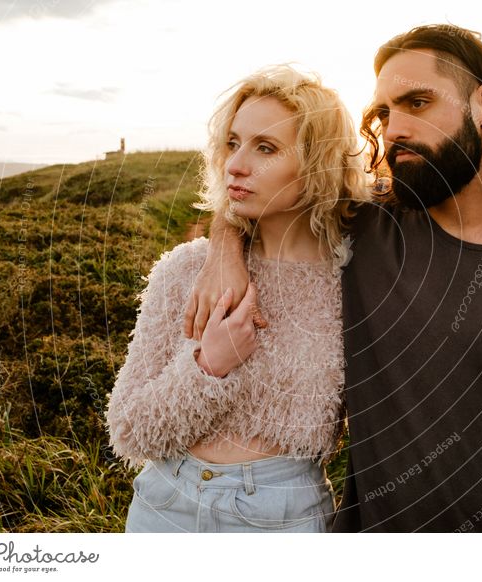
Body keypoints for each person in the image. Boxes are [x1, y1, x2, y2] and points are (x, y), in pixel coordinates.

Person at [184, 24, 482, 533]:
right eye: (383, 113)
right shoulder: (367, 221)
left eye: (417, 102)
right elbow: (265, 190)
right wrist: (224, 247)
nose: (393, 128)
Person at [105, 64, 370, 532]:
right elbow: (129, 429)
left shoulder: (355, 285)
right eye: (232, 143)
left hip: (283, 517)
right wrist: (209, 366)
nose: (236, 164)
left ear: (318, 163)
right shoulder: (186, 270)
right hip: (164, 509)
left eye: (265, 148)